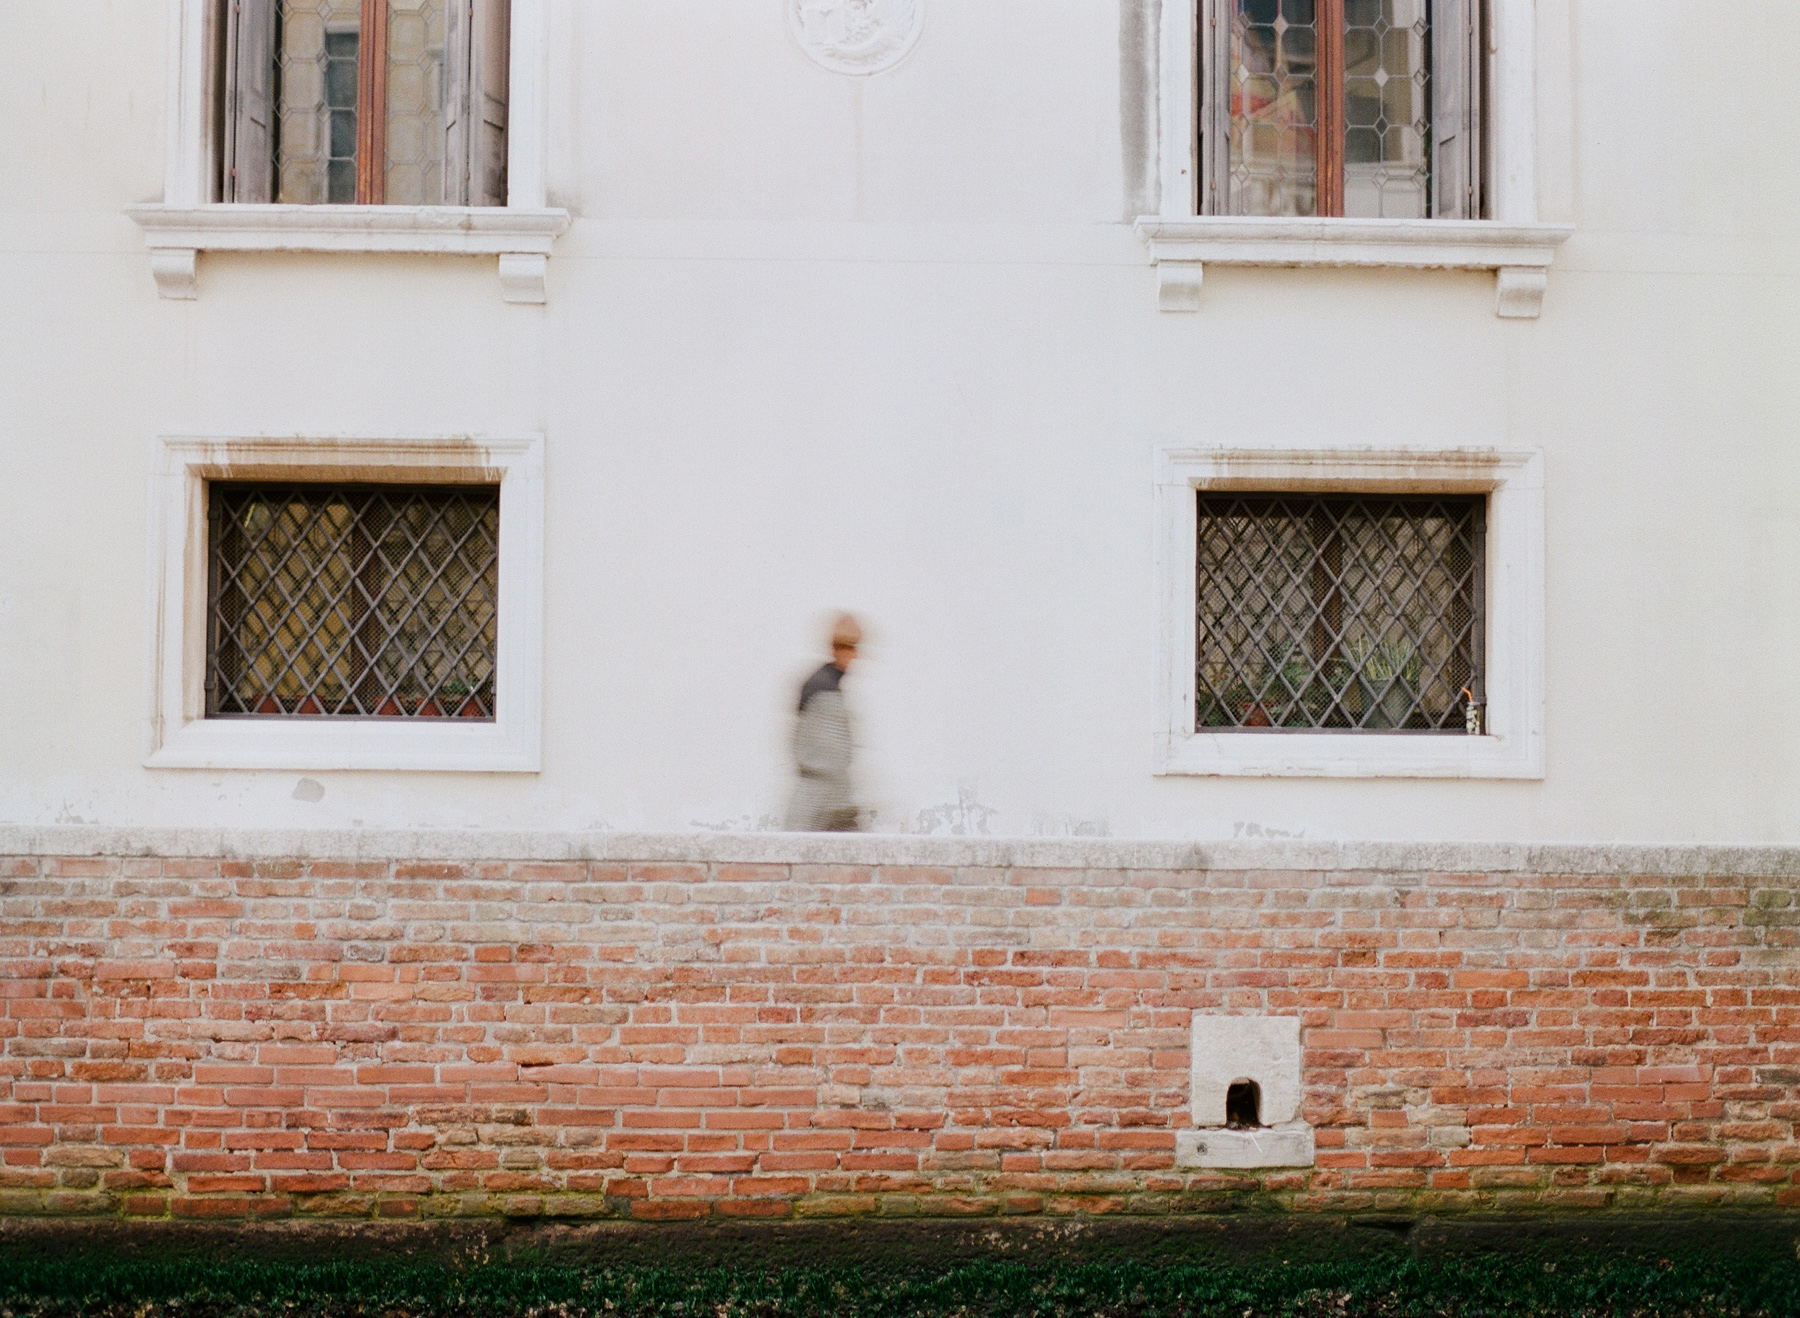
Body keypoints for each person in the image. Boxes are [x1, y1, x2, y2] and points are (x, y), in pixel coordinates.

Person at [784, 614, 863, 832]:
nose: (856, 656)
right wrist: (847, 810)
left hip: (817, 803)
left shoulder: (819, 685)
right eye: (852, 648)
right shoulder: (826, 693)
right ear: (840, 649)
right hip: (819, 805)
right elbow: (832, 757)